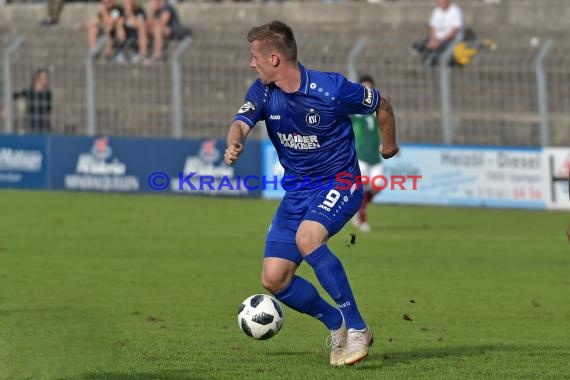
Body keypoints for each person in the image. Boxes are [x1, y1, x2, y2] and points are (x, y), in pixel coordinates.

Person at [224, 21, 398, 366]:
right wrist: (235, 140)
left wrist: (388, 146)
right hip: (297, 192)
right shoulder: (262, 91)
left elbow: (382, 103)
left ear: (274, 58)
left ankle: (359, 327)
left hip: (340, 183)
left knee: (308, 238)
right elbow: (241, 122)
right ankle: (336, 324)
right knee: (274, 278)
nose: (251, 63)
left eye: (254, 56)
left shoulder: (331, 89)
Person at [349, 74, 384, 233]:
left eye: (370, 87)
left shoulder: (378, 108)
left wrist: (387, 143)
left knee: (378, 186)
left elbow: (383, 129)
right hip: (360, 154)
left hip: (375, 155)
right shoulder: (353, 108)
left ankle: (356, 209)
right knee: (362, 186)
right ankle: (362, 220)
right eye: (364, 87)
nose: (367, 90)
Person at [413, 0, 464, 66]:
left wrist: (440, 42)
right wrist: (433, 40)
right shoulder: (437, 10)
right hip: (437, 39)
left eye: (441, 1)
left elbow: (454, 32)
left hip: (450, 39)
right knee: (418, 45)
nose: (439, 3)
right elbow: (433, 27)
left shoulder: (456, 11)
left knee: (437, 51)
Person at [13, 68, 53, 134]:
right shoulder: (29, 91)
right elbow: (14, 96)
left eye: (46, 77)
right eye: (45, 78)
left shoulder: (48, 93)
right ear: (38, 78)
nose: (46, 80)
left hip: (44, 126)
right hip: (31, 125)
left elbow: (49, 111)